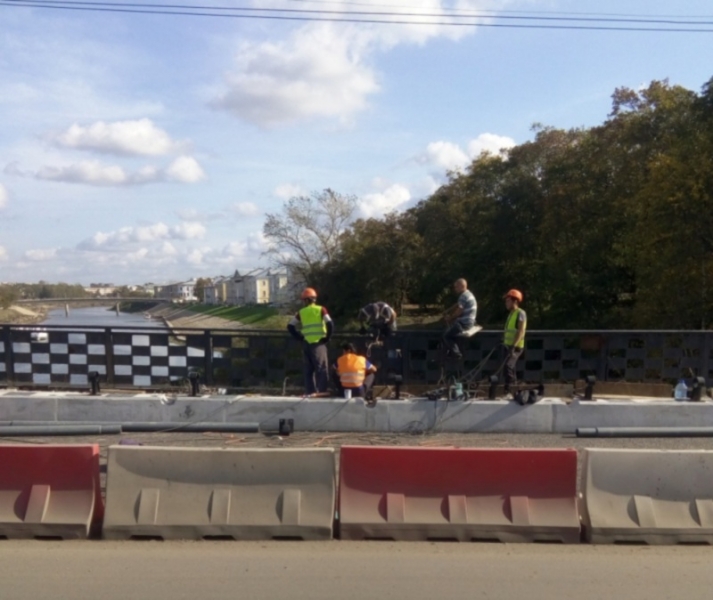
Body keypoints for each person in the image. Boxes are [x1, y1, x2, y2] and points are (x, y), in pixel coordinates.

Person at [287, 287, 333, 395]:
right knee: (321, 368)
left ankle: (309, 392)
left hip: (306, 343)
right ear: (314, 299)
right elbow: (330, 324)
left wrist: (299, 337)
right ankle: (321, 392)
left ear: (306, 300)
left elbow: (290, 326)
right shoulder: (321, 309)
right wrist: (327, 337)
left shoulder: (301, 312)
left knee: (308, 370)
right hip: (318, 343)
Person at [442, 278, 477, 360]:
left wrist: (450, 318)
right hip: (470, 322)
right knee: (452, 332)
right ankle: (453, 351)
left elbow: (459, 310)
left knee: (446, 336)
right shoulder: (468, 294)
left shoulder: (463, 296)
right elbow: (458, 304)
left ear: (461, 286)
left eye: (456, 287)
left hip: (464, 323)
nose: (455, 289)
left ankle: (456, 354)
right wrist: (448, 310)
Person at [503, 289, 527, 397]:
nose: (506, 303)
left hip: (516, 346)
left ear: (515, 301)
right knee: (510, 368)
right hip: (507, 345)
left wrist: (513, 345)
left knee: (509, 366)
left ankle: (509, 390)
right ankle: (513, 390)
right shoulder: (511, 314)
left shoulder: (521, 313)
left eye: (508, 301)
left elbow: (521, 331)